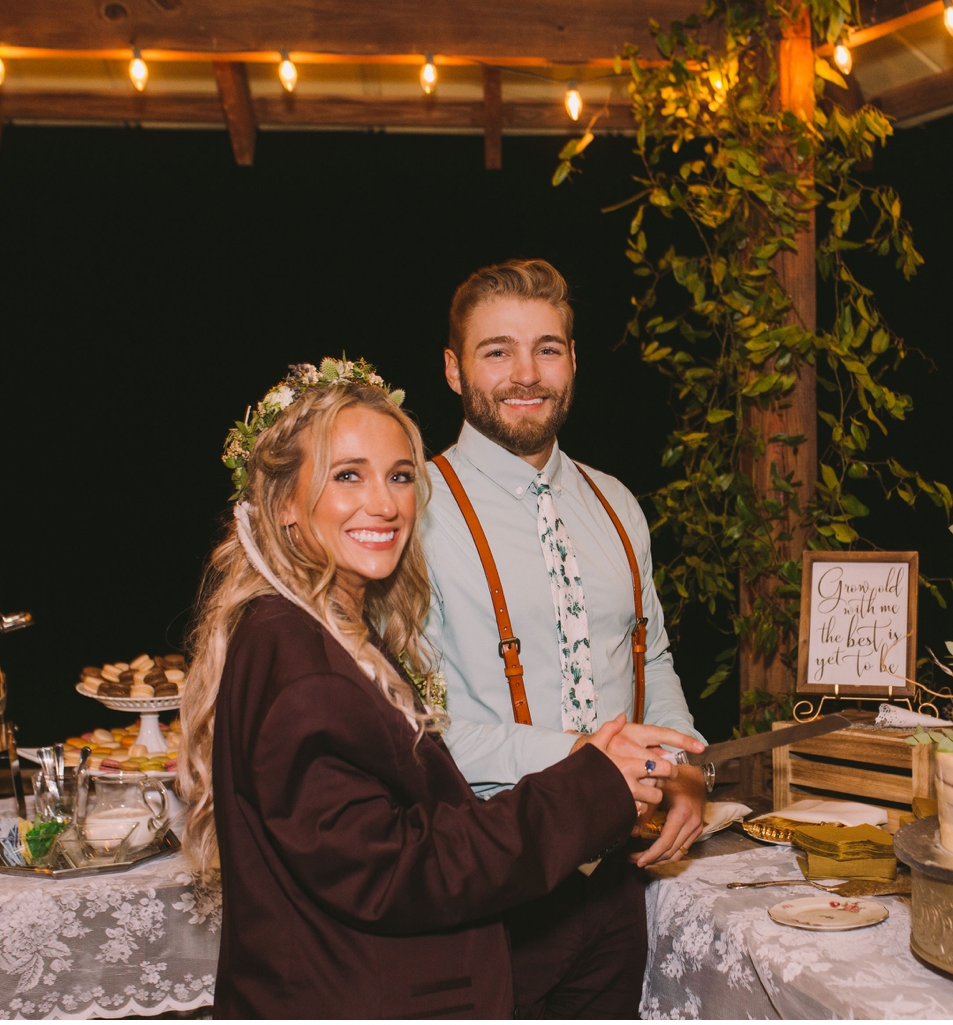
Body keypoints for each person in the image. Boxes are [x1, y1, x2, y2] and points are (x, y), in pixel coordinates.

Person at [177, 358, 703, 1018]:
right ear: (284, 505)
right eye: (348, 476)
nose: (385, 502)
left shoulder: (328, 630)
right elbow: (395, 868)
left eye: (400, 476)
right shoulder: (296, 655)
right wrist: (591, 783)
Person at [420, 260, 709, 1018]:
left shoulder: (615, 502)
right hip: (492, 884)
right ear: (454, 370)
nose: (526, 373)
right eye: (497, 352)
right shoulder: (410, 509)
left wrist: (681, 768)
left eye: (548, 348)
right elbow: (421, 732)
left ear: (573, 361)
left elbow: (652, 658)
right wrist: (592, 760)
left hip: (614, 891)